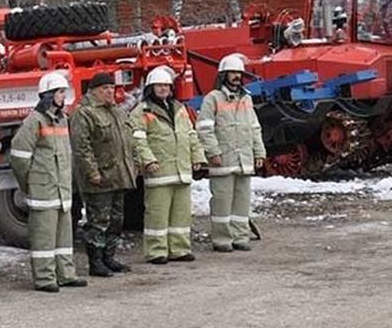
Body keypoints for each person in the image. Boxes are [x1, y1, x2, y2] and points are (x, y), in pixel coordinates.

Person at [9, 71, 87, 292]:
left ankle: (66, 274)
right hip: (43, 189)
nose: (63, 96)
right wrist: (30, 182)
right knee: (44, 237)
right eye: (60, 92)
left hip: (61, 188)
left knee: (64, 235)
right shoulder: (34, 121)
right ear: (48, 95)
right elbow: (19, 155)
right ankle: (44, 278)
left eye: (63, 91)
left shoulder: (62, 119)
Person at [129, 67, 206, 264]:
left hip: (181, 171)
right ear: (150, 88)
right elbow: (137, 139)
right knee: (157, 215)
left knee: (181, 214)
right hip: (159, 171)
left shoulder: (179, 108)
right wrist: (148, 160)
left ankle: (179, 249)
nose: (163, 89)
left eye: (166, 85)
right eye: (159, 85)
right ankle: (156, 251)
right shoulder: (142, 111)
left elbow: (190, 135)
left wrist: (197, 157)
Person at [196, 54, 266, 252]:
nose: (236, 76)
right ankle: (222, 239)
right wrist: (213, 152)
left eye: (238, 73)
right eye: (232, 72)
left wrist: (259, 152)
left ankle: (240, 236)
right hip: (223, 159)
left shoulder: (246, 99)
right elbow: (204, 129)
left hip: (244, 160)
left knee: (242, 202)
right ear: (223, 75)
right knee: (222, 202)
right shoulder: (212, 99)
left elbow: (254, 127)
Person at [69, 71, 137, 277]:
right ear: (93, 91)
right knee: (98, 221)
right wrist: (92, 172)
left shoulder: (116, 111)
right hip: (99, 178)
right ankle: (95, 262)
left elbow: (128, 140)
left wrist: (134, 164)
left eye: (111, 88)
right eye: (104, 89)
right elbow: (82, 147)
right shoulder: (84, 113)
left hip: (118, 175)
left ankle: (109, 257)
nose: (109, 92)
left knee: (116, 220)